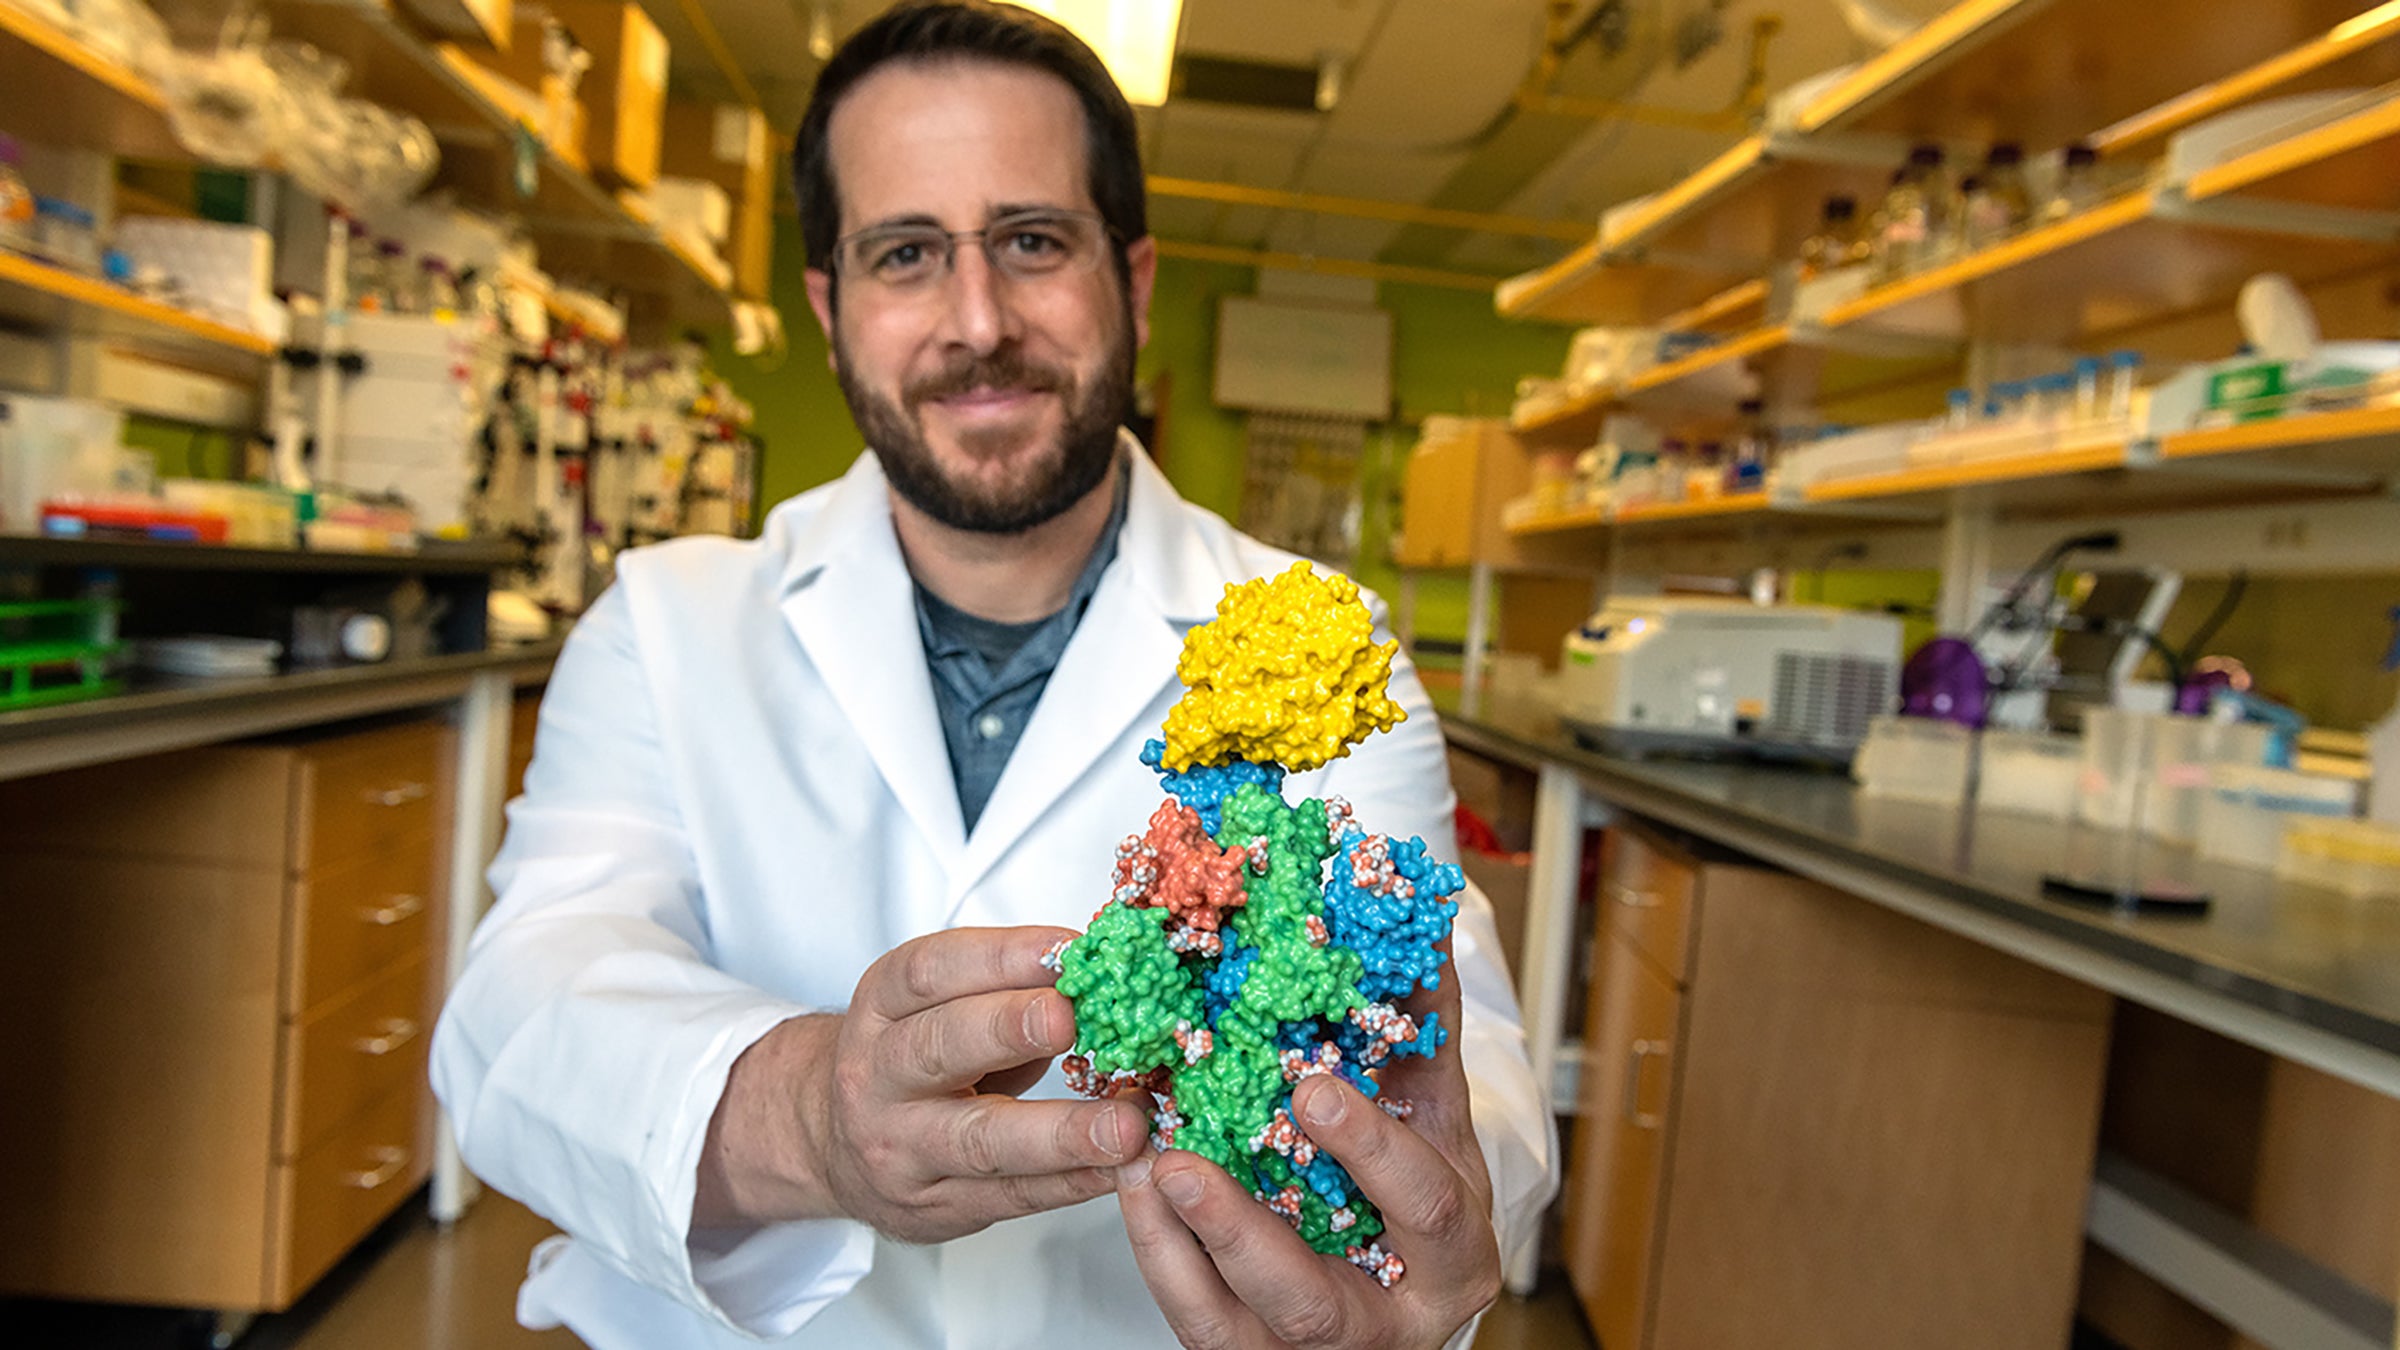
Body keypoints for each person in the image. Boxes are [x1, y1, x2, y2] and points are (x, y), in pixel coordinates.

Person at [429, 3, 1553, 1346]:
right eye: (907, 253)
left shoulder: (1319, 645)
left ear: (1130, 280)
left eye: (1032, 240)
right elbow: (516, 1009)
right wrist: (805, 1117)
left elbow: (1457, 1042)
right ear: (830, 307)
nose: (979, 319)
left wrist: (1412, 1231)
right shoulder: (666, 624)